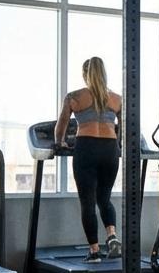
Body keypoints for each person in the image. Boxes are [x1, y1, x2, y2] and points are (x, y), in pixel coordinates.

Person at [53, 57, 123, 262]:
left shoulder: (74, 97)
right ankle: (112, 236)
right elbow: (124, 129)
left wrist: (60, 142)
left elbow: (61, 126)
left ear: (85, 74)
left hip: (87, 147)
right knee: (104, 199)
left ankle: (94, 251)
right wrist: (118, 146)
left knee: (88, 202)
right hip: (110, 150)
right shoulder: (117, 99)